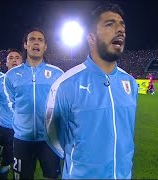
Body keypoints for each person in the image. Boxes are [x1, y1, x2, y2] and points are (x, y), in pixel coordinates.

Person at [45, 3, 138, 179]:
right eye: (110, 24)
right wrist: (81, 160)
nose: (120, 30)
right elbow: (53, 135)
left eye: (122, 24)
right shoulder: (66, 84)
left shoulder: (130, 84)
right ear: (91, 38)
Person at [3, 28, 63, 179]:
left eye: (40, 40)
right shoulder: (11, 75)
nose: (36, 42)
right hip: (22, 139)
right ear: (25, 45)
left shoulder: (57, 73)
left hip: (49, 140)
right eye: (32, 39)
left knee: (52, 177)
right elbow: (12, 103)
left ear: (45, 46)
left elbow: (62, 104)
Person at [0, 49, 23, 179]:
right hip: (6, 129)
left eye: (17, 57)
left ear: (22, 61)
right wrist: (6, 119)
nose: (14, 60)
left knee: (20, 163)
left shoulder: (30, 82)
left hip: (24, 130)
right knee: (4, 162)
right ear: (6, 62)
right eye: (11, 58)